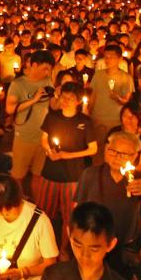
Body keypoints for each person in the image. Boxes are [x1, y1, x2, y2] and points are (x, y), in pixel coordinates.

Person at [73, 130, 141, 276]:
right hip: (93, 241)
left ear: (134, 156)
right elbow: (77, 208)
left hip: (124, 244)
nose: (116, 157)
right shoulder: (91, 174)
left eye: (123, 154)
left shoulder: (140, 179)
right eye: (112, 151)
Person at [39, 82, 97, 242]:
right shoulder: (52, 116)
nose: (65, 101)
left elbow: (93, 149)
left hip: (73, 176)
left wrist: (67, 155)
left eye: (70, 98)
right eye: (63, 97)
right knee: (43, 214)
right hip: (50, 172)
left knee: (70, 216)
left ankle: (65, 249)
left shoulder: (85, 121)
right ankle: (44, 244)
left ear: (78, 101)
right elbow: (44, 138)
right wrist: (48, 150)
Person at [6, 50, 56, 201]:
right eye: (45, 68)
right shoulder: (18, 84)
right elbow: (9, 108)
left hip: (42, 138)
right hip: (24, 137)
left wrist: (58, 96)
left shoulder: (47, 81)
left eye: (49, 69)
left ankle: (37, 205)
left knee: (38, 175)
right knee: (18, 175)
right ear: (33, 65)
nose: (47, 72)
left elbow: (52, 105)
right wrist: (33, 100)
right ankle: (17, 202)